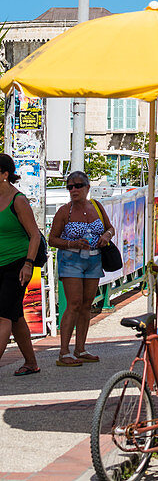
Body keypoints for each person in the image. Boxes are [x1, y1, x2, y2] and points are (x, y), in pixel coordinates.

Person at [48, 170, 114, 367]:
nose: (73, 190)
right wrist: (72, 244)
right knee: (74, 303)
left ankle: (81, 348)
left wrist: (106, 237)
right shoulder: (64, 211)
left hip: (93, 259)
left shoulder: (96, 206)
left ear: (87, 187)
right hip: (71, 261)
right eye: (70, 187)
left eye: (78, 186)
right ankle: (63, 351)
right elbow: (52, 239)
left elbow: (110, 227)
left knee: (87, 304)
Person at [0, 154, 42, 375]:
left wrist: (28, 264)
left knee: (3, 314)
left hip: (17, 264)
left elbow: (34, 235)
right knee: (15, 316)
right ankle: (31, 362)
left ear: (5, 174)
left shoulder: (18, 200)